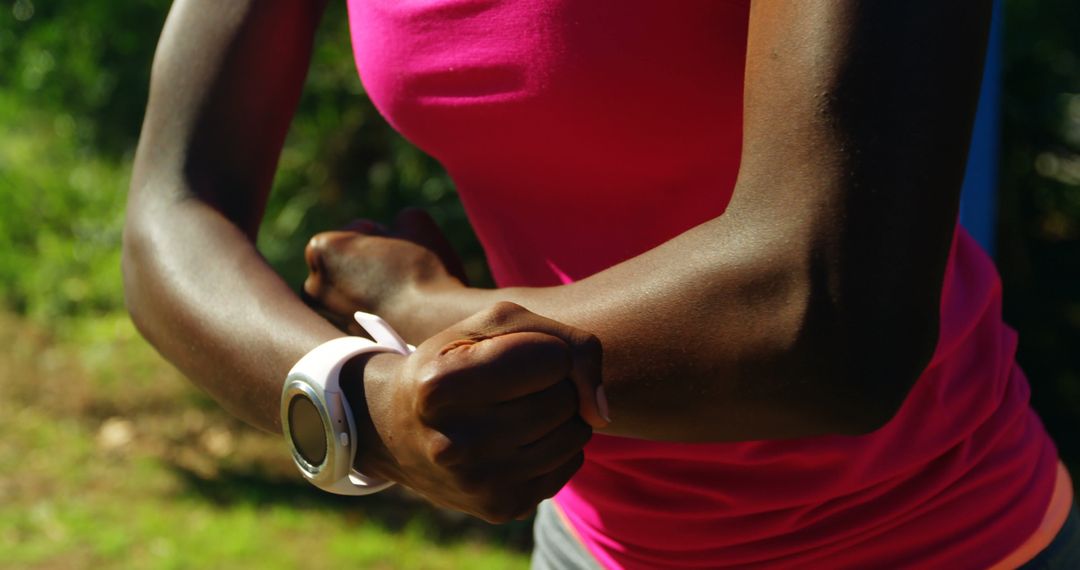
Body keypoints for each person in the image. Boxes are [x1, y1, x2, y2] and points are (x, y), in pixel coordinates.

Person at [123, 0, 1077, 567]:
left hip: (930, 536)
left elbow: (828, 320)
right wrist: (366, 407)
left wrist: (430, 317)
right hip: (593, 544)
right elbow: (171, 212)